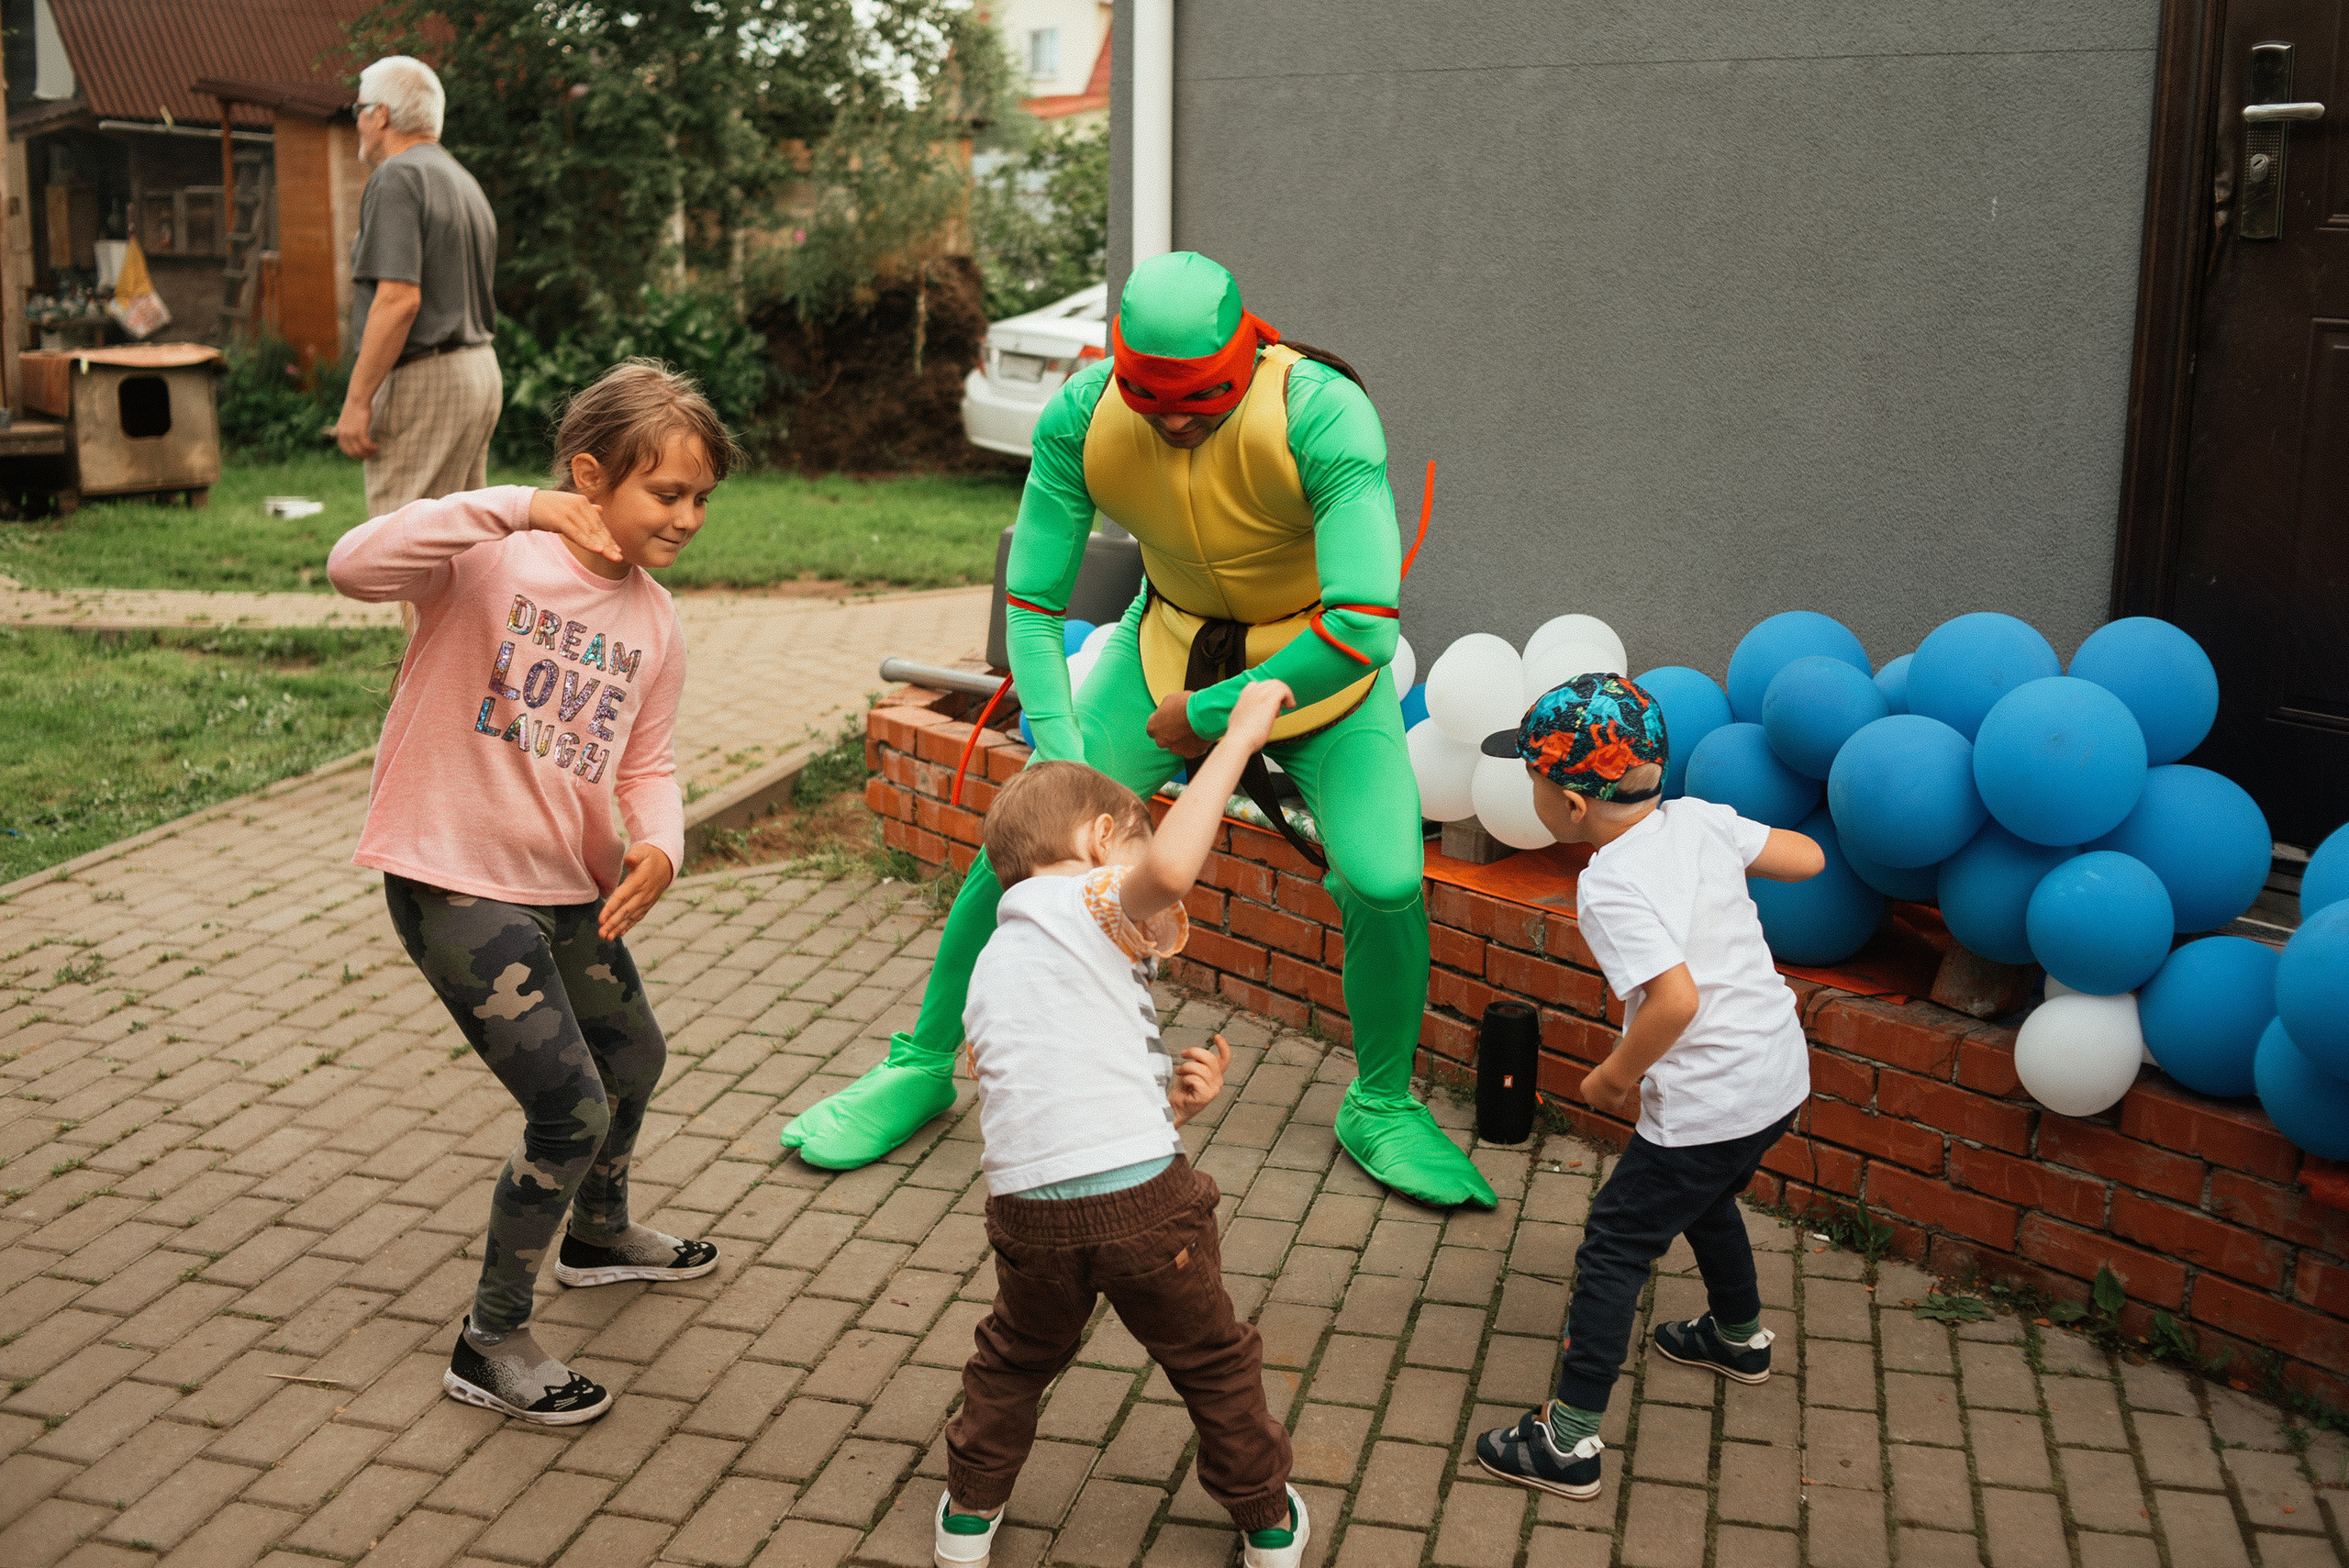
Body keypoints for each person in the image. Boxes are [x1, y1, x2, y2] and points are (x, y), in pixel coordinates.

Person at [784, 250, 1497, 1211]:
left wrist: (1205, 717)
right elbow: (1033, 597)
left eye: (1198, 396)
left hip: (1320, 673)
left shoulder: (1321, 409)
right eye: (1147, 393)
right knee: (1024, 841)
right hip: (1164, 643)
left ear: (1246, 354)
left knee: (1384, 877)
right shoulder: (1082, 414)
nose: (1171, 418)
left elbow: (1364, 620)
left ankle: (1378, 1100)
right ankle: (918, 1061)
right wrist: (1059, 744)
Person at [326, 361, 737, 1423]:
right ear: (588, 476)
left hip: (566, 889)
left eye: (700, 498)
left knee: (634, 1056)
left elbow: (647, 760)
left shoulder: (655, 619)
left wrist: (662, 843)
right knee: (568, 1107)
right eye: (667, 493)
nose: (688, 517)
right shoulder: (487, 559)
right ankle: (490, 1337)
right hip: (454, 877)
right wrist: (511, 504)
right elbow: (350, 563)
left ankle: (598, 1236)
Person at [930, 678, 1309, 1568]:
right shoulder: (1083, 896)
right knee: (1213, 1360)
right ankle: (1267, 1520)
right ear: (1102, 841)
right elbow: (1171, 871)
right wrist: (1239, 736)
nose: (1141, 898)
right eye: (1128, 854)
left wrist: (1171, 1100)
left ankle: (966, 1512)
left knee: (1016, 1357)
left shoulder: (996, 957)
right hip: (1143, 1203)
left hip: (1028, 1213)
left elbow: (1032, 1080)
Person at [1469, 673, 1822, 1499]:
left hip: (1709, 1095)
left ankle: (1568, 1441)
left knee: (1616, 1243)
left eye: (1532, 779)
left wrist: (1613, 1076)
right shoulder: (1700, 819)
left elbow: (1675, 999)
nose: (1531, 793)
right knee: (1703, 1196)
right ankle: (1737, 1337)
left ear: (1571, 805)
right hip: (1778, 1072)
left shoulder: (1610, 881)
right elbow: (1804, 858)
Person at [334, 55, 502, 521]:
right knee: (460, 544)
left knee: (406, 541)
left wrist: (356, 401)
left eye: (359, 111)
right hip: (478, 371)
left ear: (381, 115)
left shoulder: (397, 176)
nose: (359, 124)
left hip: (426, 379)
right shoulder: (461, 179)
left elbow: (399, 298)